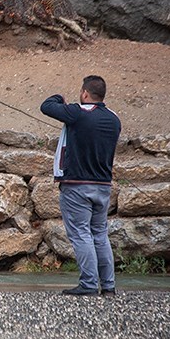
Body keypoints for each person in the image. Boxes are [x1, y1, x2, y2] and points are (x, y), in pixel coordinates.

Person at [40, 75, 121, 296]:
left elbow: (46, 106)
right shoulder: (114, 119)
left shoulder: (77, 113)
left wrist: (60, 98)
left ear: (85, 93)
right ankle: (108, 285)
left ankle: (88, 284)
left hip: (76, 185)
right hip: (103, 186)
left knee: (81, 234)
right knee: (100, 234)